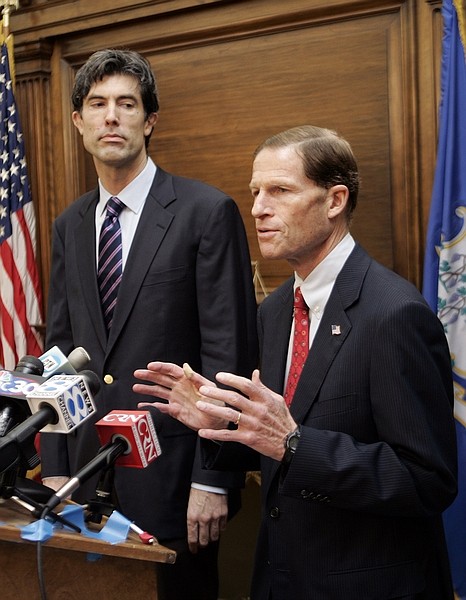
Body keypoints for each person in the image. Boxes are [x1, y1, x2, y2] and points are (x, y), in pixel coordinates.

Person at [133, 125, 458, 600]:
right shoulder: (277, 309)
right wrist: (222, 424)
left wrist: (293, 443)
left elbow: (426, 481)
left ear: (334, 200)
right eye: (256, 192)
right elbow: (277, 441)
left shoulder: (395, 314)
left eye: (280, 191)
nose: (259, 208)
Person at [40, 49, 258, 600]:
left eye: (127, 104)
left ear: (149, 120)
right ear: (79, 123)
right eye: (97, 104)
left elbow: (228, 357)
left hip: (176, 480)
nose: (111, 116)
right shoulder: (69, 225)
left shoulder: (205, 213)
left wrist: (214, 478)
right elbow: (62, 352)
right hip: (85, 480)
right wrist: (54, 468)